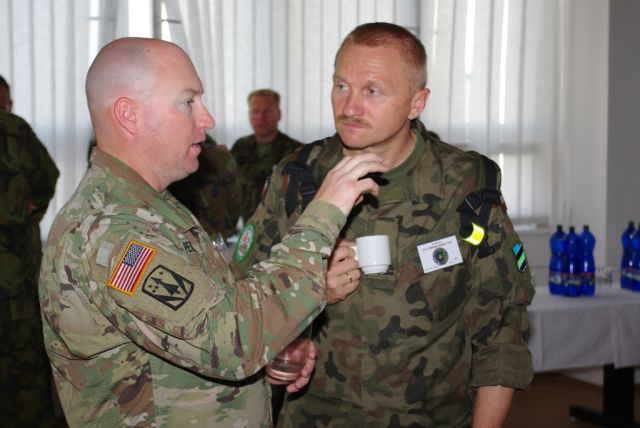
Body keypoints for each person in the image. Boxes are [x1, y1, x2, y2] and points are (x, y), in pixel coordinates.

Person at [38, 37, 387, 427]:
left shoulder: (152, 207)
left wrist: (270, 345)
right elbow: (235, 341)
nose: (207, 119)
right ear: (129, 115)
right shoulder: (112, 233)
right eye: (188, 102)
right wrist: (324, 213)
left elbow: (207, 323)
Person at [232, 22, 535, 427]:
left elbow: (502, 330)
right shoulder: (296, 179)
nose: (350, 107)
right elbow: (240, 303)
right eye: (341, 86)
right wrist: (301, 297)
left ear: (416, 103)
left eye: (372, 91)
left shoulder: (465, 186)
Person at [0, 75, 59, 427]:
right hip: (18, 270)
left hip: (16, 267)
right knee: (26, 360)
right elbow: (48, 175)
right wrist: (29, 210)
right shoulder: (16, 129)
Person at [231, 89, 302, 222]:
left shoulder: (296, 151)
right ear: (249, 115)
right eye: (255, 111)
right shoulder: (240, 147)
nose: (261, 118)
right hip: (248, 224)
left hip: (283, 224)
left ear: (279, 115)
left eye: (268, 111)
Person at [169, 134, 241, 241]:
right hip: (215, 237)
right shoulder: (221, 156)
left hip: (175, 236)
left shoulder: (169, 155)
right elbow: (235, 200)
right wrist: (228, 228)